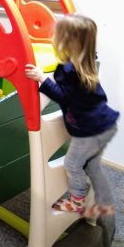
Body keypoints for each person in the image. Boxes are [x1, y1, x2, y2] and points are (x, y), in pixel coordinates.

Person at [24, 15, 119, 218]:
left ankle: (77, 200)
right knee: (91, 165)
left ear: (67, 43)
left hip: (90, 131)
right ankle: (101, 202)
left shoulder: (70, 71)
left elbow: (62, 97)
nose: (52, 38)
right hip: (104, 125)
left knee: (72, 164)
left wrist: (42, 78)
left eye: (56, 36)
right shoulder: (86, 61)